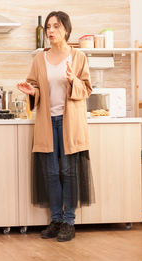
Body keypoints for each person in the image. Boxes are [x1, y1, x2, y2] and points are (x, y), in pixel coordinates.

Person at [17, 11, 94, 242]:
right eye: (49, 26)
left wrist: (73, 80)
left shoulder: (78, 57)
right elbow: (34, 86)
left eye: (56, 26)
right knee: (51, 172)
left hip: (70, 123)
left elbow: (87, 89)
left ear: (66, 30)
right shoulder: (39, 58)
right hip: (47, 122)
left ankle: (69, 222)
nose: (50, 31)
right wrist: (32, 92)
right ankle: (56, 219)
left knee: (69, 172)